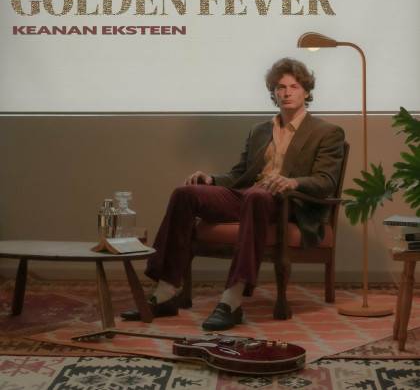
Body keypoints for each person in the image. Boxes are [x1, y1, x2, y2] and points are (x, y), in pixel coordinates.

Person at [121, 57, 345, 331]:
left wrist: (292, 182)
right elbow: (240, 174)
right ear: (273, 93)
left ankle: (231, 300)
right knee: (186, 193)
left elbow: (325, 182)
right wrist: (212, 179)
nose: (286, 92)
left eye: (294, 86)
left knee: (256, 196)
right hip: (251, 195)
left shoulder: (326, 132)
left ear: (306, 91)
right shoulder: (260, 130)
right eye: (280, 87)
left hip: (289, 204)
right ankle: (166, 292)